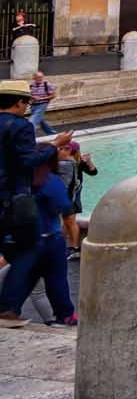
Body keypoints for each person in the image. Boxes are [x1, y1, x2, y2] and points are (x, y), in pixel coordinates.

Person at [0, 79, 66, 326]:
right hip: (11, 201)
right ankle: (6, 309)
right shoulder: (21, 126)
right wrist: (54, 147)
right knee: (31, 249)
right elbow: (26, 162)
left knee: (15, 251)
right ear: (19, 102)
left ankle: (9, 306)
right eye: (26, 102)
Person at [53, 139, 94, 254]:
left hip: (73, 196)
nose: (62, 150)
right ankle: (65, 247)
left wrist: (89, 161)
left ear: (73, 151)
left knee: (69, 221)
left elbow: (93, 172)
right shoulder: (65, 162)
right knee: (66, 222)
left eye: (66, 148)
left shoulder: (76, 163)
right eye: (61, 148)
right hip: (65, 195)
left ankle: (74, 247)